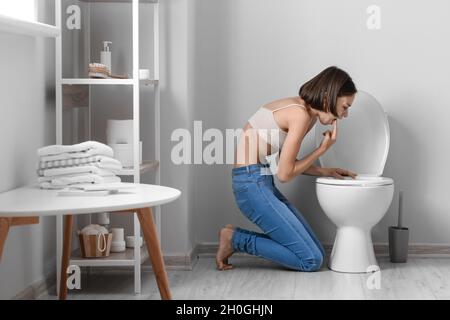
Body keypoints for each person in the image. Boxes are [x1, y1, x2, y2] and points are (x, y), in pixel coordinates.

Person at [216, 66, 358, 271]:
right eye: (345, 106)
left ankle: (233, 236)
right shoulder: (299, 114)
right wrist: (322, 149)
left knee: (316, 252)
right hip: (250, 184)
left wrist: (326, 171)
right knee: (311, 261)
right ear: (329, 97)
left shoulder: (307, 114)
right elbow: (284, 175)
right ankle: (235, 240)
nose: (345, 114)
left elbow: (285, 162)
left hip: (259, 180)